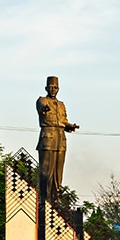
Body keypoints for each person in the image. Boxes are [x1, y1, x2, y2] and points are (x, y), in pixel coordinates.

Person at [35, 76, 78, 204]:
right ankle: (45, 199)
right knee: (46, 171)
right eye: (51, 87)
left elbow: (63, 120)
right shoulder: (42, 100)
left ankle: (56, 197)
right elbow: (42, 107)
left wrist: (70, 126)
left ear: (58, 89)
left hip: (60, 139)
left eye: (55, 87)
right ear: (46, 88)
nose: (53, 90)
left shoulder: (61, 105)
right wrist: (44, 108)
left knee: (58, 171)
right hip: (48, 138)